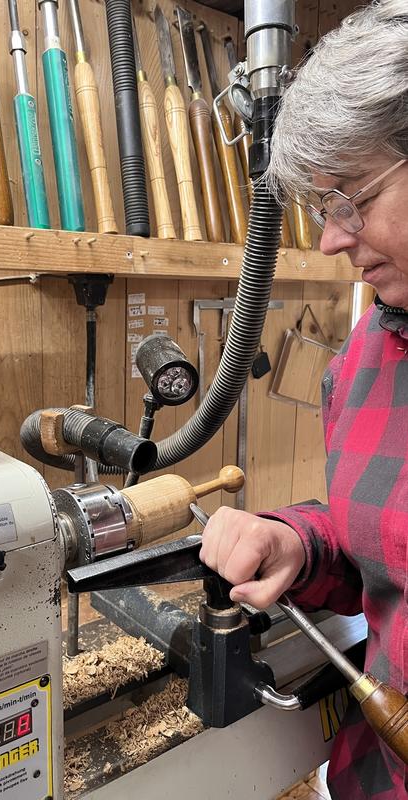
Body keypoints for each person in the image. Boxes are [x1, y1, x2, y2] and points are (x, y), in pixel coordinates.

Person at [199, 2, 408, 798]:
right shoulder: (361, 363)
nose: (328, 238)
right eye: (322, 208)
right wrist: (298, 545)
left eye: (350, 199)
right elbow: (379, 555)